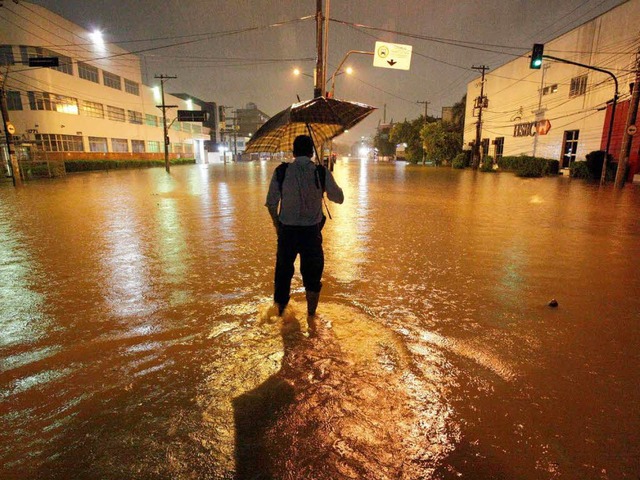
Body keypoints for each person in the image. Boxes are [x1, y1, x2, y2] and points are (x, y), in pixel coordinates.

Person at [265, 135, 344, 317]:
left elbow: (271, 203)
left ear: (293, 152)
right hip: (311, 234)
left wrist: (277, 225)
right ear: (311, 152)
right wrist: (324, 184)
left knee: (283, 275)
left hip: (287, 232)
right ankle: (311, 317)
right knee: (313, 276)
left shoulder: (281, 171)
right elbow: (339, 198)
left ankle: (280, 317)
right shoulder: (320, 172)